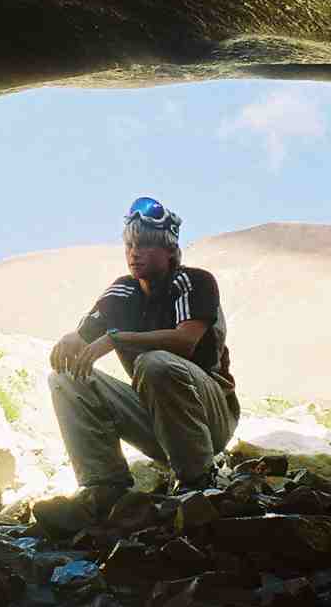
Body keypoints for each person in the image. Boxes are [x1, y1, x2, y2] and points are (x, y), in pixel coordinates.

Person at [48, 196, 239, 518]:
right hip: (155, 418)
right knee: (65, 378)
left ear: (170, 251)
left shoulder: (194, 282)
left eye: (147, 245)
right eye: (130, 245)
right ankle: (105, 487)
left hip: (208, 418)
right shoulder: (122, 291)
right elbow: (83, 338)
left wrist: (118, 338)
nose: (135, 253)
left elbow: (185, 341)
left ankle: (197, 479)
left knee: (154, 363)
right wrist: (71, 340)